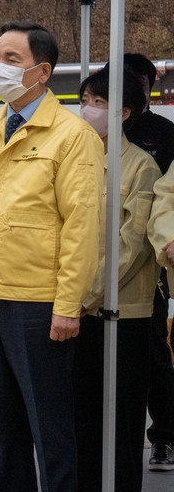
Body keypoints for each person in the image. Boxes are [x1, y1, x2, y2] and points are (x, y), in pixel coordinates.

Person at [0, 21, 105, 492]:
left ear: (43, 71)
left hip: (39, 304)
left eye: (11, 59)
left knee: (49, 427)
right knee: (6, 430)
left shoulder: (71, 136)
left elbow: (82, 227)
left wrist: (68, 305)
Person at [73, 67, 159, 492]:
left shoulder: (141, 167)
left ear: (123, 113)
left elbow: (133, 244)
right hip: (73, 309)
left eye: (98, 103)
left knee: (122, 416)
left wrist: (85, 294)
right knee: (82, 413)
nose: (87, 109)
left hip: (123, 311)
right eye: (85, 100)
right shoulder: (73, 158)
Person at [121, 52, 174, 471]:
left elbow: (166, 199)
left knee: (155, 352)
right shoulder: (89, 135)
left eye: (140, 81)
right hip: (103, 263)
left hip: (149, 264)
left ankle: (163, 437)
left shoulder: (163, 134)